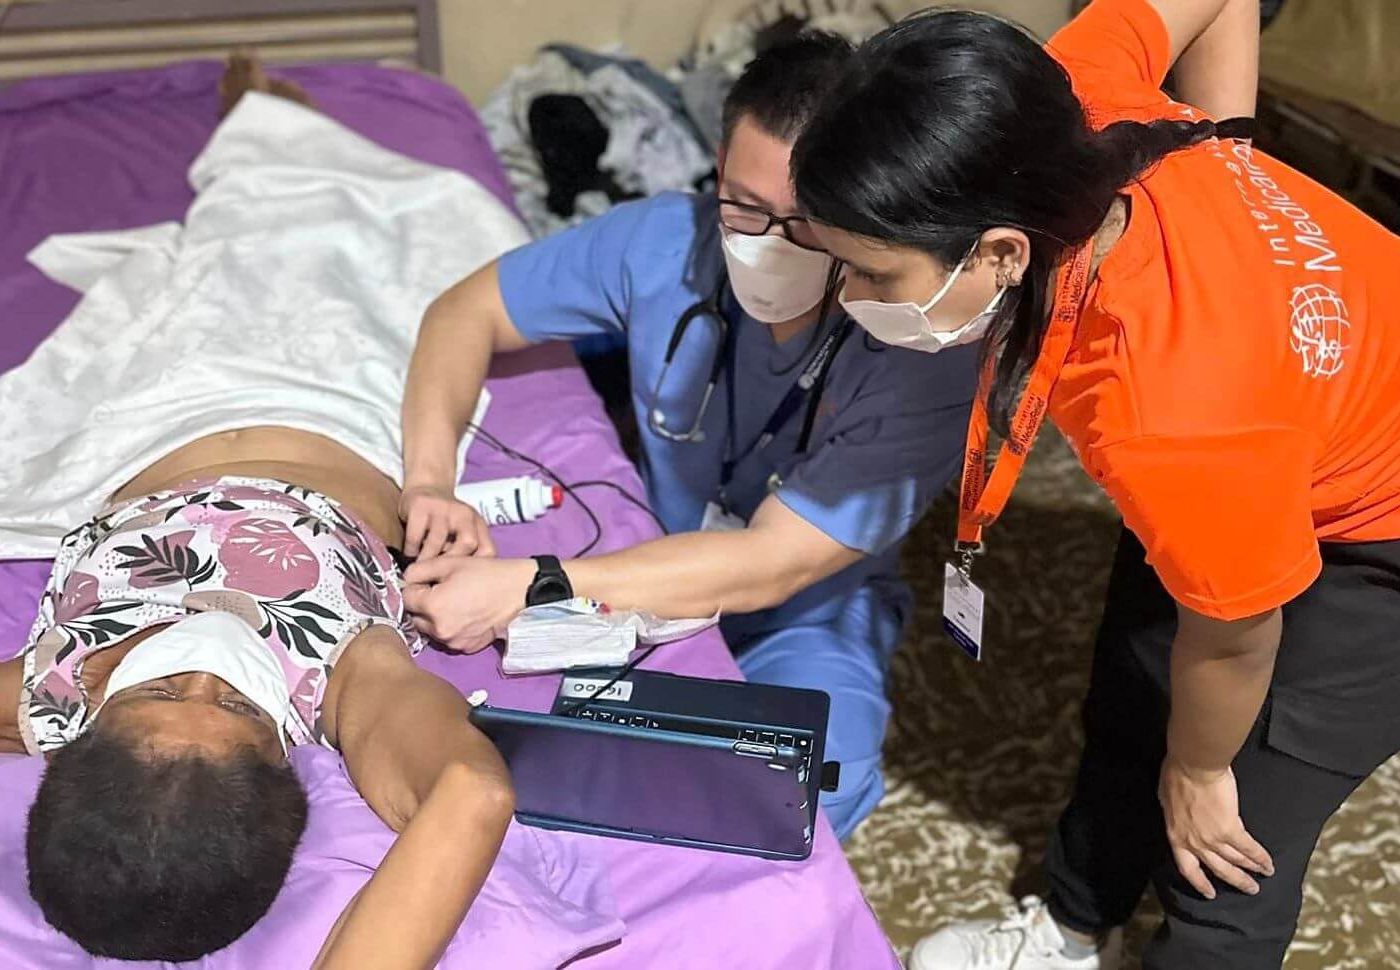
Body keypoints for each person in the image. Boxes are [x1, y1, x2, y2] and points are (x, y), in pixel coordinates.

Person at [790, 0, 1400, 967]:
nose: (853, 299)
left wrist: (1201, 765)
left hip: (1398, 515)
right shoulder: (1055, 100)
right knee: (1134, 686)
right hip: (1284, 425)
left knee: (1228, 842)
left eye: (874, 274)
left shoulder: (1169, 413)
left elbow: (1240, 633)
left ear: (1004, 251)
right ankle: (1074, 926)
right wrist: (1232, 149)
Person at [0, 56, 515, 968]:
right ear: (284, 761)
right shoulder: (347, 686)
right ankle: (266, 132)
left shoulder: (50, 696)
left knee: (213, 263)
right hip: (327, 399)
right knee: (333, 240)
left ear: (82, 740)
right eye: (233, 702)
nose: (201, 663)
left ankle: (258, 137)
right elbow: (472, 794)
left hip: (151, 408)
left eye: (156, 690)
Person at [393, 32, 978, 839]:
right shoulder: (667, 241)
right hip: (640, 566)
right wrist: (429, 480)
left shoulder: (921, 349)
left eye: (804, 224)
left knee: (808, 787)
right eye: (743, 205)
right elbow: (464, 312)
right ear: (716, 166)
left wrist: (535, 582)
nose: (767, 244)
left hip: (801, 611)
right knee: (519, 751)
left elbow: (771, 565)